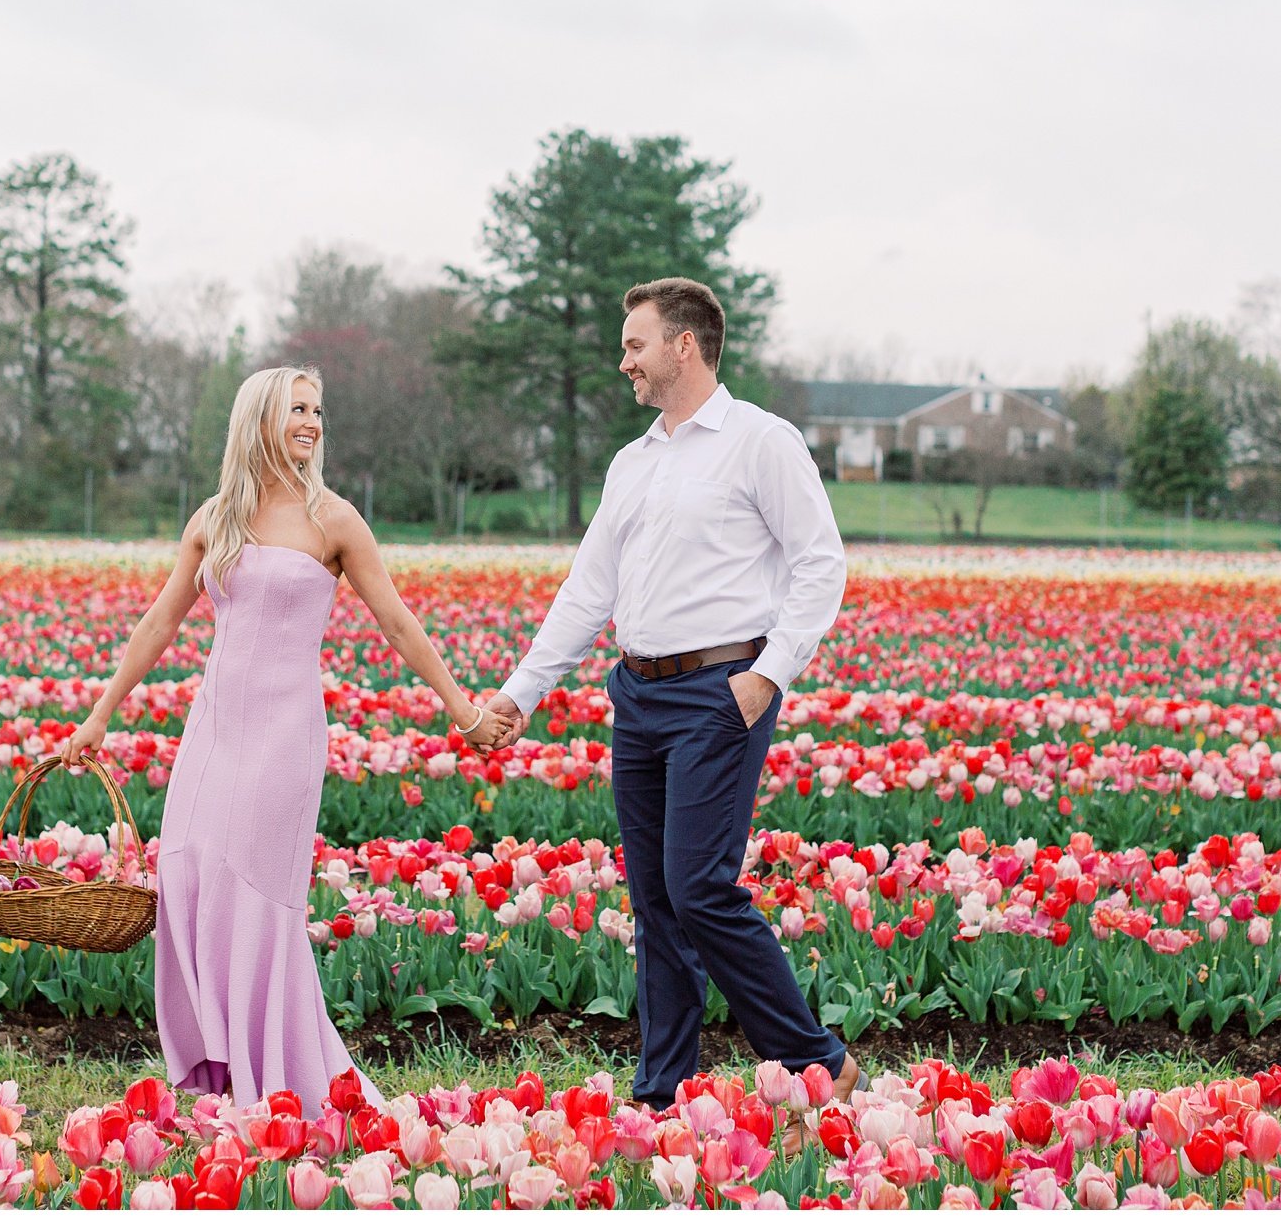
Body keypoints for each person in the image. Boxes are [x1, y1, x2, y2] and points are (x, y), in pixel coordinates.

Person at [61, 364, 499, 1111]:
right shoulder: (214, 518)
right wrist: (101, 711)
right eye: (298, 407)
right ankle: (215, 1066)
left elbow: (396, 620)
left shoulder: (334, 519)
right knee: (192, 877)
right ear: (260, 415)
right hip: (214, 731)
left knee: (255, 894)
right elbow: (161, 621)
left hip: (283, 736)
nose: (312, 422)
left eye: (318, 410)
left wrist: (464, 711)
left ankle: (278, 1073)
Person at [471, 277, 863, 1108]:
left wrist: (768, 675)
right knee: (654, 900)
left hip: (722, 692)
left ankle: (814, 1057)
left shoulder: (761, 440)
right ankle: (664, 1090)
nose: (624, 362)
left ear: (685, 344)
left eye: (635, 344)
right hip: (639, 696)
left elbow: (820, 562)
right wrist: (522, 691)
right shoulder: (634, 460)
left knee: (699, 888)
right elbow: (589, 587)